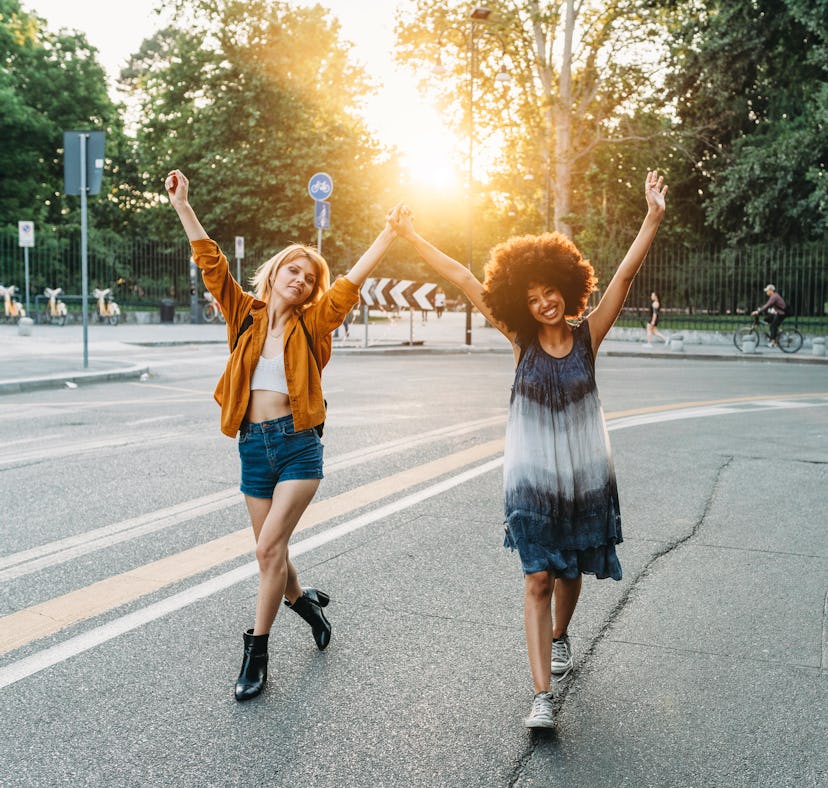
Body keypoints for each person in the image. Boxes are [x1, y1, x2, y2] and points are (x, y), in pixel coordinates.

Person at [391, 171, 667, 729]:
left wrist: (653, 214)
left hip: (584, 475)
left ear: (568, 288)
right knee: (538, 576)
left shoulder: (589, 336)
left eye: (551, 293)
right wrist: (412, 239)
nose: (543, 304)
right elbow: (466, 277)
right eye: (533, 297)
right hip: (532, 481)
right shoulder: (520, 342)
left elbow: (626, 273)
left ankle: (562, 635)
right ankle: (542, 695)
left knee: (572, 574)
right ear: (521, 304)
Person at [165, 169, 400, 701]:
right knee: (275, 556)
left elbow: (348, 288)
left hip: (297, 446)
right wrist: (183, 205)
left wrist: (387, 235)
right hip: (253, 447)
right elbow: (212, 265)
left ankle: (257, 651)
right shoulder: (244, 316)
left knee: (268, 547)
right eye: (294, 271)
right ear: (274, 274)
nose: (302, 281)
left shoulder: (313, 324)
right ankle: (307, 606)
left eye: (309, 278)